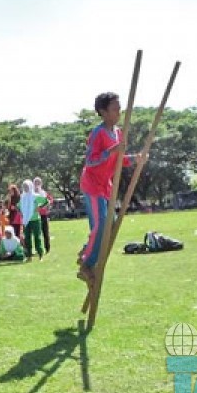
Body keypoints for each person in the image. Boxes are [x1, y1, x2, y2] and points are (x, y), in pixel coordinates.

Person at [77, 92, 143, 284]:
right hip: (92, 185)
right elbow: (90, 161)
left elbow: (119, 161)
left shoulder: (118, 133)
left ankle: (87, 250)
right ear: (103, 112)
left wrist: (134, 159)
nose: (119, 112)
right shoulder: (98, 133)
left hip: (105, 186)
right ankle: (86, 264)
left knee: (111, 224)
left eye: (119, 108)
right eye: (114, 109)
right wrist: (111, 150)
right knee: (102, 224)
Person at [20, 179, 47, 261]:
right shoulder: (23, 197)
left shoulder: (35, 196)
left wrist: (39, 207)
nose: (25, 188)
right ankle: (29, 256)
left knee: (37, 238)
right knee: (27, 238)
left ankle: (40, 255)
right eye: (24, 187)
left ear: (30, 186)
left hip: (35, 219)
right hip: (26, 221)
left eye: (26, 186)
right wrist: (22, 212)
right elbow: (18, 206)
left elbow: (46, 201)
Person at [33, 177, 54, 254]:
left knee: (45, 232)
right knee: (36, 233)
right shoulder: (32, 193)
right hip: (35, 215)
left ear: (41, 184)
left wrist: (47, 207)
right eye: (35, 183)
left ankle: (47, 248)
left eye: (38, 183)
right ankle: (38, 249)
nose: (37, 185)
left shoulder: (43, 192)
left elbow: (50, 200)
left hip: (43, 215)